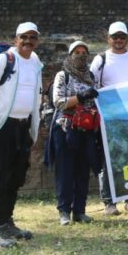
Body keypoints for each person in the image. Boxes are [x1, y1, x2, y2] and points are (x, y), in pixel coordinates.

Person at [0, 22, 42, 248]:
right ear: (16, 39)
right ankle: (0, 228)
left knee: (15, 175)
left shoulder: (35, 63)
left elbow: (35, 99)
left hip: (22, 129)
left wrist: (33, 130)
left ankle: (8, 221)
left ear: (37, 41)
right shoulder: (3, 60)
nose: (28, 41)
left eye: (33, 37)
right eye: (24, 36)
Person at [91, 21, 128, 215]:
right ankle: (109, 202)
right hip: (109, 117)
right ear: (109, 39)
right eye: (115, 37)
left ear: (127, 39)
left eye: (122, 37)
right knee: (108, 160)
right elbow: (92, 86)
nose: (118, 40)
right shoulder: (101, 59)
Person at [47, 41, 103, 226]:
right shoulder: (63, 75)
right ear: (70, 55)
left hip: (86, 129)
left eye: (84, 52)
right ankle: (64, 211)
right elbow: (58, 101)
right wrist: (80, 97)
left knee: (82, 171)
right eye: (77, 52)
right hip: (65, 128)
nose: (81, 55)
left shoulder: (91, 76)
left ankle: (80, 211)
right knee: (65, 170)